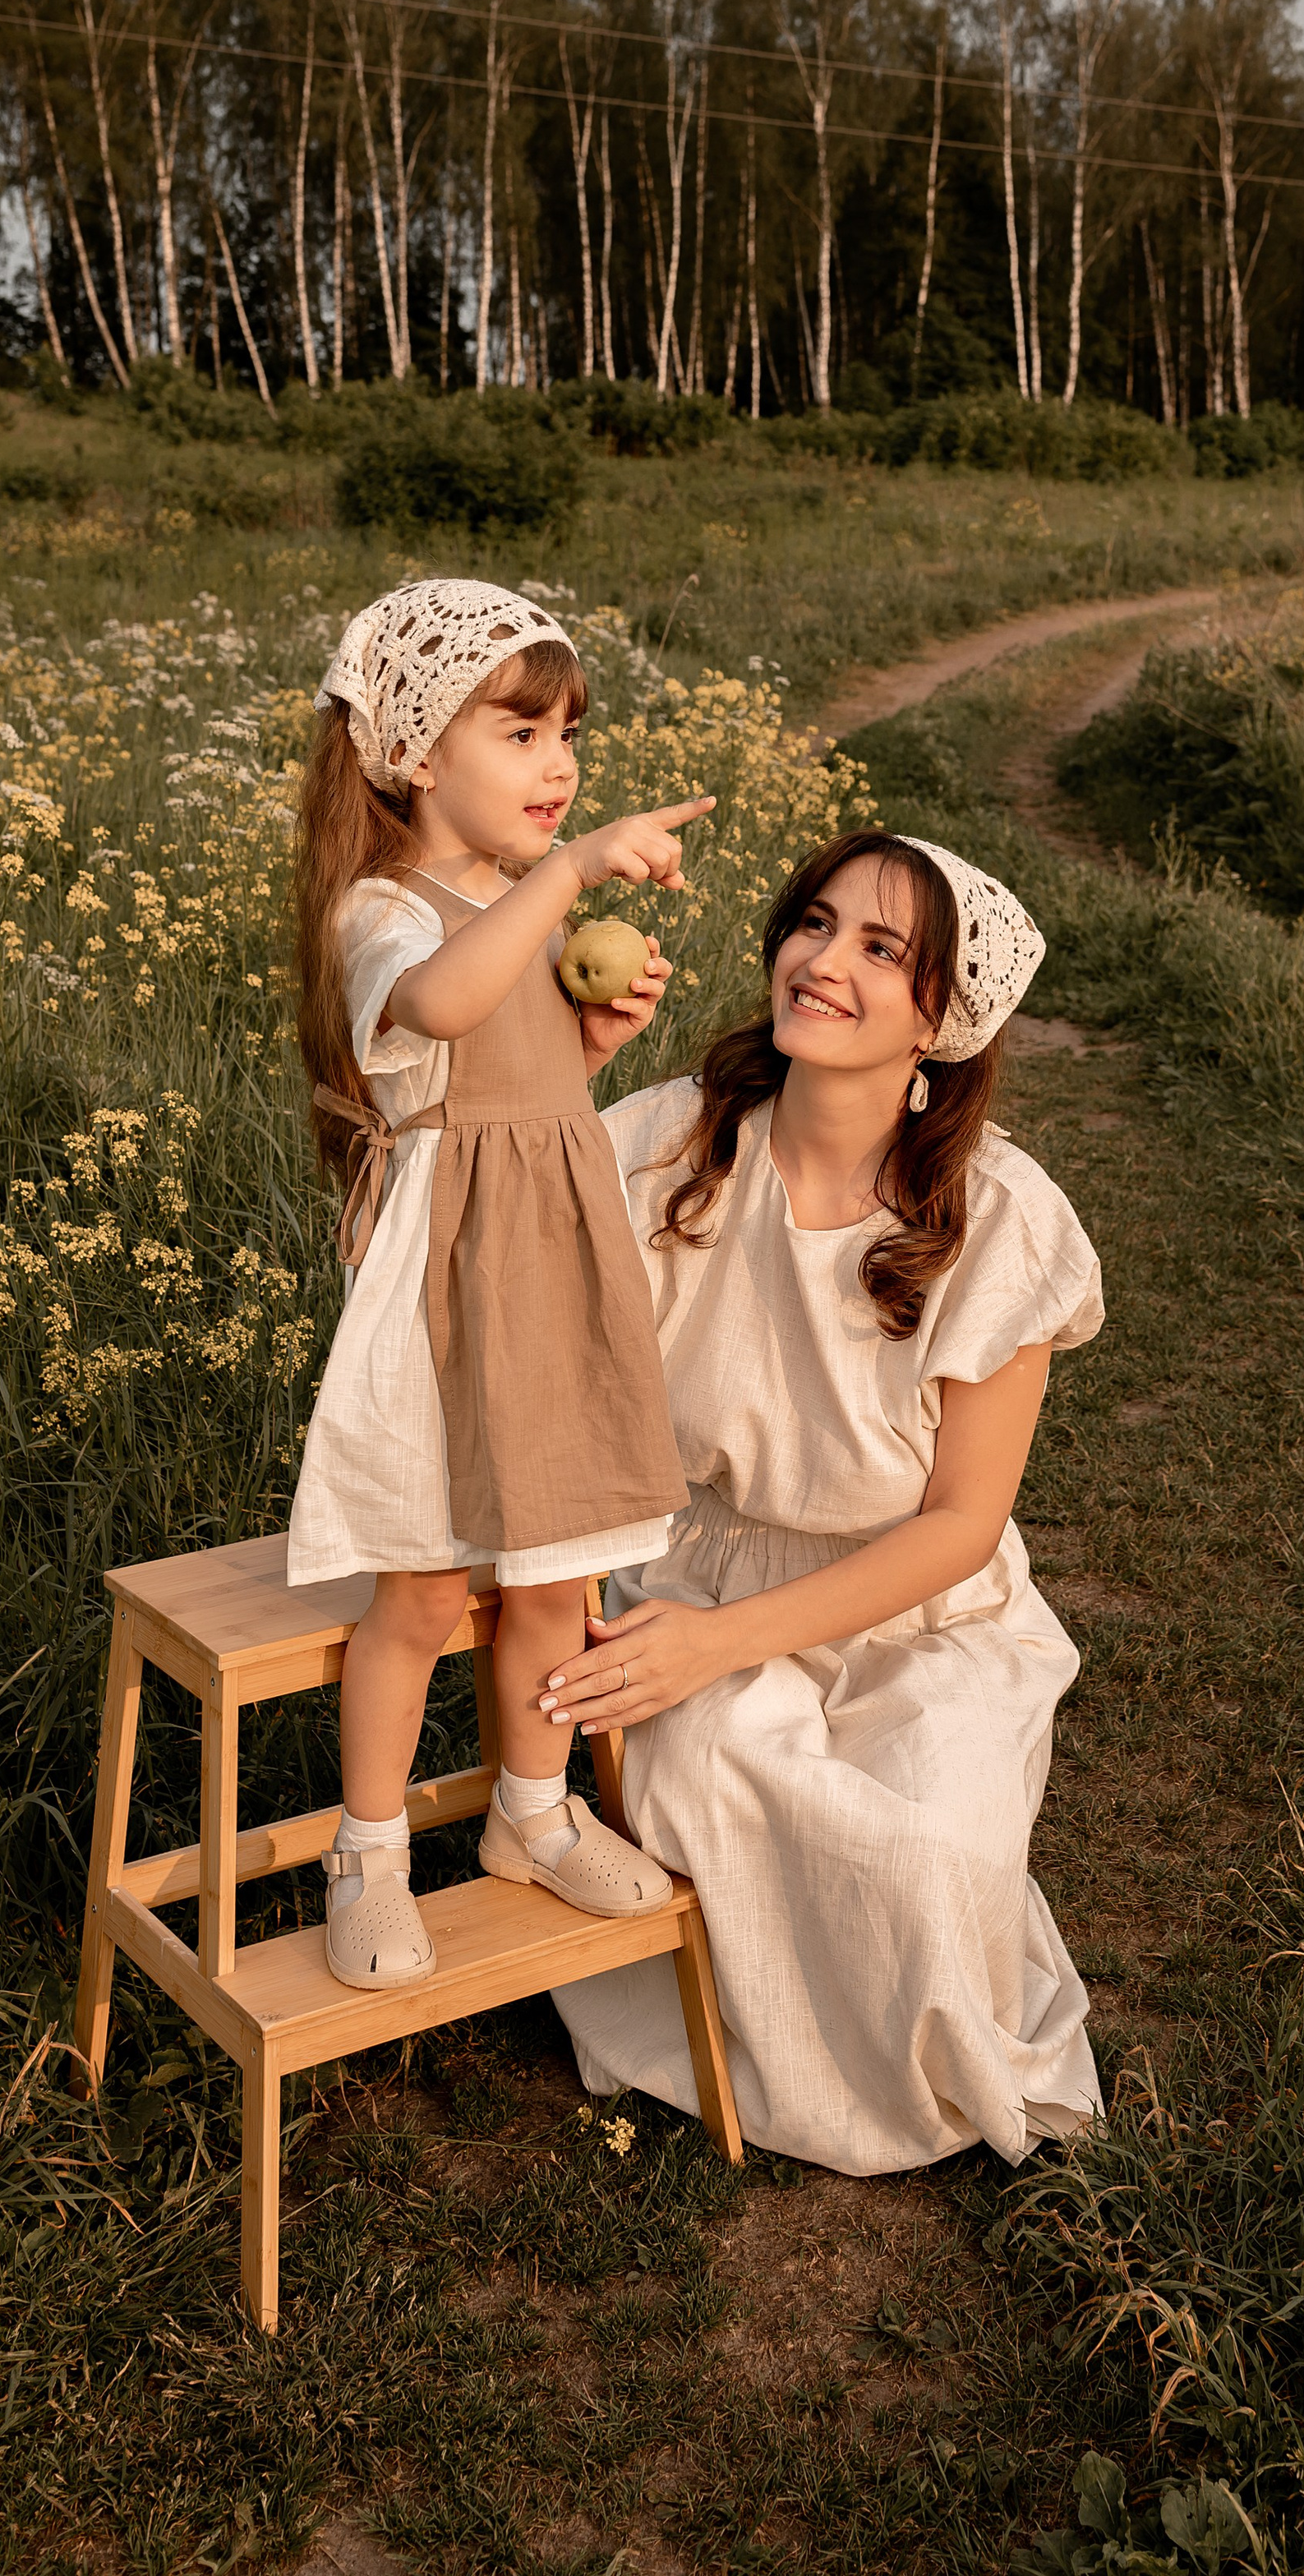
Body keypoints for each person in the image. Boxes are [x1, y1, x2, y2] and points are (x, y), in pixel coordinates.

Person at [545, 829, 1105, 2174]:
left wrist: (716, 1649)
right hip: (696, 1578)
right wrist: (565, 1069)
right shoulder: (675, 1142)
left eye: (880, 949)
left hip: (924, 1613)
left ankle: (916, 2032)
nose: (823, 962)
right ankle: (755, 2022)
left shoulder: (1001, 1217)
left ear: (940, 1021)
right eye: (814, 923)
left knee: (925, 1859)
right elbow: (480, 1231)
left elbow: (961, 1524)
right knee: (735, 1777)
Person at [290, 578, 714, 1992]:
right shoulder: (381, 909)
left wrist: (594, 1041)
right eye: (522, 732)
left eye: (568, 735)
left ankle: (530, 1812)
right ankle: (369, 1849)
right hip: (442, 1294)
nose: (559, 765)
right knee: (418, 1591)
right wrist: (571, 873)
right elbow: (446, 1012)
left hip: (552, 1269)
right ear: (413, 753)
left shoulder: (506, 908)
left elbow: (519, 1090)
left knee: (554, 1573)